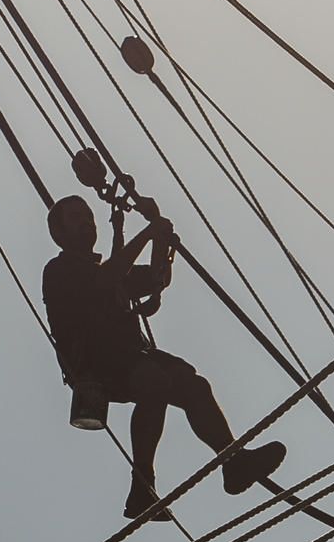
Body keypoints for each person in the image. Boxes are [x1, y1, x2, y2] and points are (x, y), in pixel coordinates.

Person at [42, 194, 285, 519]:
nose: (87, 221)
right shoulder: (60, 270)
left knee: (193, 385)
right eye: (76, 217)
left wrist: (159, 237)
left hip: (129, 357)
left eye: (88, 215)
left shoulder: (110, 270)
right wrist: (148, 232)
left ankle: (234, 462)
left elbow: (158, 278)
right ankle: (142, 485)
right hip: (95, 363)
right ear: (58, 233)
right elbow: (104, 281)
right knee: (153, 381)